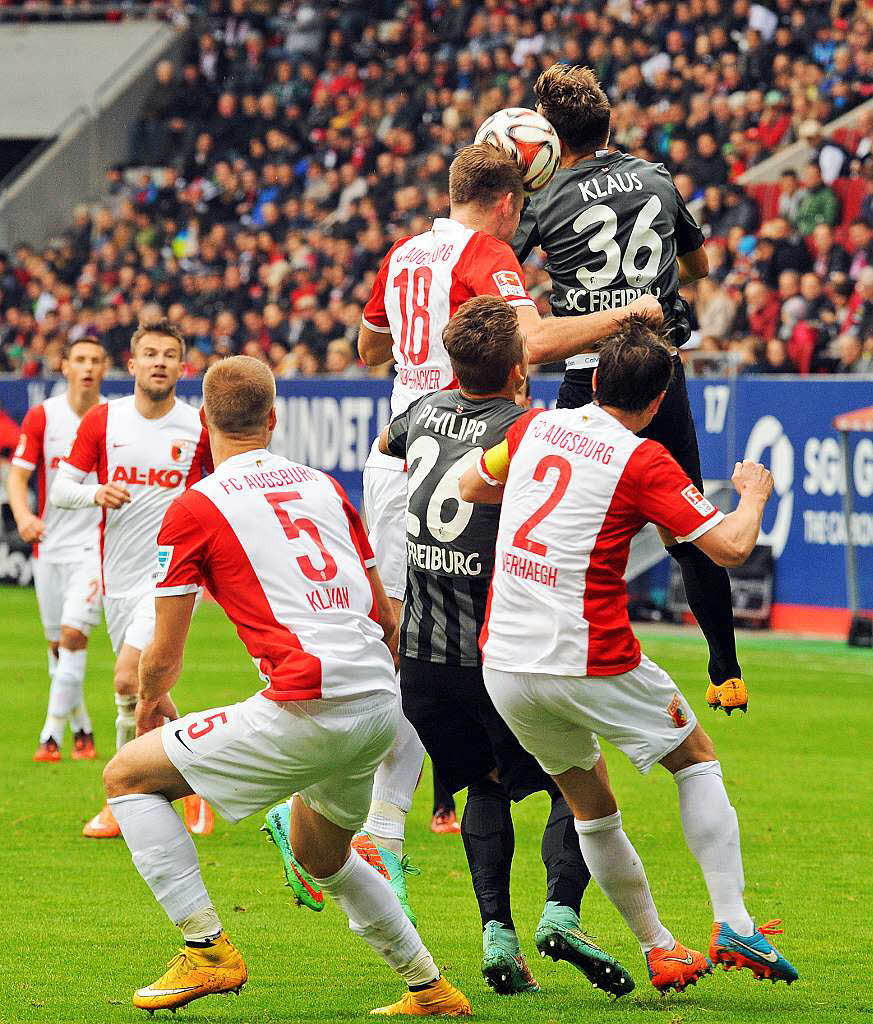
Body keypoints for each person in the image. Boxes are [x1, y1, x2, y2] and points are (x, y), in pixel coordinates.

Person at [264, 143, 660, 920]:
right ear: (510, 202)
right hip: (457, 449)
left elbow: (368, 345)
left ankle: (375, 821)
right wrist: (632, 312)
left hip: (400, 448)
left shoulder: (406, 249)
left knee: (413, 644)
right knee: (454, 641)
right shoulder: (488, 250)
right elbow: (534, 343)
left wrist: (425, 347)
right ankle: (379, 818)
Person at [101, 356, 471, 1018]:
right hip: (378, 705)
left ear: (204, 422)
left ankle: (206, 951)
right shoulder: (324, 487)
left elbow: (165, 645)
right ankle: (430, 987)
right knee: (320, 853)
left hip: (307, 701)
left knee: (128, 776)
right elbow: (386, 616)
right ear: (274, 419)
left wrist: (152, 702)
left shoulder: (198, 505)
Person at [459, 318, 799, 994]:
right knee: (694, 756)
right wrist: (755, 493)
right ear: (654, 402)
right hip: (588, 652)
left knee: (590, 805)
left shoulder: (529, 430)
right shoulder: (641, 460)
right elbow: (728, 548)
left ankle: (659, 947)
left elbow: (471, 485)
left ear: (593, 381)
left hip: (505, 661)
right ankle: (732, 921)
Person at [379, 295, 634, 998]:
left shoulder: (422, 410)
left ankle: (497, 934)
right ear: (520, 366)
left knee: (479, 785)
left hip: (424, 657)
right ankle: (560, 912)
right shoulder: (528, 427)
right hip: (498, 651)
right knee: (576, 782)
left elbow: (385, 445)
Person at [513, 63, 749, 716]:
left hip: (589, 370)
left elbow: (500, 265)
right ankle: (725, 670)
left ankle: (549, 652)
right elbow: (699, 265)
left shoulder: (546, 195)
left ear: (551, 139)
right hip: (657, 369)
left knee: (556, 521)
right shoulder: (654, 177)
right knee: (689, 520)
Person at [50, 319, 213, 839]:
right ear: (133, 364)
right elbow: (59, 490)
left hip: (172, 575)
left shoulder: (196, 427)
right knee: (146, 693)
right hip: (117, 577)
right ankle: (197, 778)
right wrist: (95, 493)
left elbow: (218, 490)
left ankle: (120, 801)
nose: (160, 361)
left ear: (182, 368)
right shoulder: (104, 420)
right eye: (150, 353)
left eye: (169, 354)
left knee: (127, 679)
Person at [8, 336, 107, 762]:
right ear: (64, 365)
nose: (88, 367)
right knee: (59, 649)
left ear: (105, 368)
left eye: (96, 361)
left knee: (72, 635)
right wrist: (23, 516)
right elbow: (18, 476)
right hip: (49, 546)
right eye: (80, 359)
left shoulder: (114, 419)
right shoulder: (43, 417)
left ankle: (50, 737)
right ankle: (83, 728)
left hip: (95, 548)